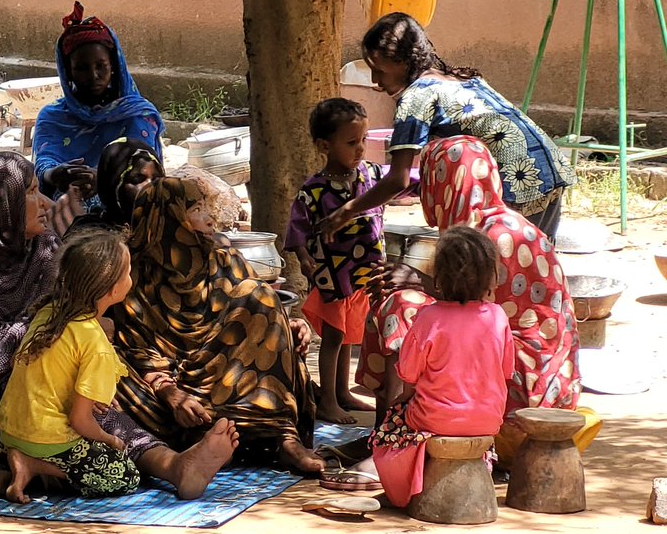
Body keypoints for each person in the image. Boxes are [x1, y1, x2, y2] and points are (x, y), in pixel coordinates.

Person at [0, 153, 239, 500]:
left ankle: (174, 466)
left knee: (96, 411)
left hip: (44, 383)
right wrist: (65, 334)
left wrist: (82, 376)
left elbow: (75, 315)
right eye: (31, 192)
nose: (45, 203)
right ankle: (30, 466)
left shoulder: (43, 248)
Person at [357, 137, 593, 464]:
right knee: (400, 300)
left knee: (402, 308)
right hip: (536, 379)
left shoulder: (496, 236)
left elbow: (474, 316)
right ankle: (383, 434)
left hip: (525, 387)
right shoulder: (493, 225)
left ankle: (395, 437)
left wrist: (419, 283)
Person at [113, 178, 323, 473]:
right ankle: (200, 441)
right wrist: (170, 393)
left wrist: (288, 325)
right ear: (169, 217)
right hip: (169, 389)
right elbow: (133, 349)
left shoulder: (222, 258)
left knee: (260, 296)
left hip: (229, 378)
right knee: (108, 380)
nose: (210, 219)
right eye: (197, 209)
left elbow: (250, 318)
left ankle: (281, 437)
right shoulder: (133, 274)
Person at [323, 13, 575, 240]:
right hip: (549, 169)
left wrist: (348, 210)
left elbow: (397, 180)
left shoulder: (416, 97)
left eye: (379, 70)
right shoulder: (460, 78)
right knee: (533, 264)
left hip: (517, 182)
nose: (375, 81)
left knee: (503, 273)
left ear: (403, 61)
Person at [368, 227, 514, 508]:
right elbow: (505, 371)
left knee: (392, 424)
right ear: (490, 278)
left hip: (434, 420)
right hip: (488, 420)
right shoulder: (498, 317)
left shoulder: (428, 317)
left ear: (439, 277)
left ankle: (403, 487)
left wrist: (401, 402)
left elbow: (408, 376)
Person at [0, 230, 141, 504]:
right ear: (112, 289)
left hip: (11, 432)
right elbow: (80, 421)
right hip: (44, 437)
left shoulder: (49, 313)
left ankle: (10, 465)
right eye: (128, 272)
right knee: (125, 475)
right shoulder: (95, 343)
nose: (132, 278)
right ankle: (32, 465)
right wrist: (109, 440)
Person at [285, 99, 383, 424]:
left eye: (364, 140)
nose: (361, 149)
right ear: (324, 146)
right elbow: (296, 228)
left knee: (348, 335)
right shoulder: (314, 190)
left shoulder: (369, 176)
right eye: (352, 142)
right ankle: (327, 400)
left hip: (363, 273)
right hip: (332, 274)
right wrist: (302, 258)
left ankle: (343, 392)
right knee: (332, 336)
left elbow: (400, 186)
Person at [33, 2, 163, 199]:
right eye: (82, 68)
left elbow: (145, 171)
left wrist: (102, 177)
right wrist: (54, 175)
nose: (93, 75)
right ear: (68, 71)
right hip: (63, 211)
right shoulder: (52, 117)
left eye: (100, 65)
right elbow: (44, 163)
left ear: (113, 65)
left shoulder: (138, 115)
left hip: (124, 212)